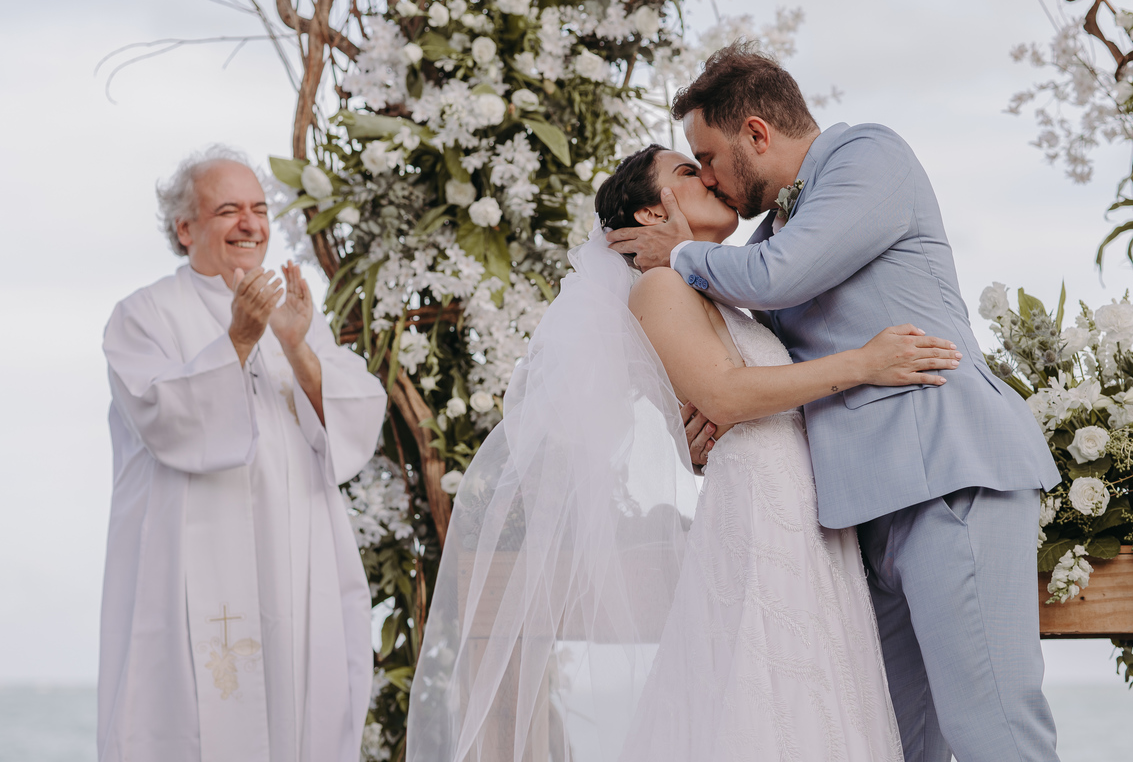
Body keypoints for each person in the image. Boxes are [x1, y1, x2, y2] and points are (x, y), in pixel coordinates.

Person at [405, 141, 963, 761]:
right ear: (650, 214)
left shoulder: (707, 288)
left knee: (818, 695)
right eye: (687, 172)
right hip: (760, 510)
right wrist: (864, 363)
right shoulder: (659, 288)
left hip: (799, 509)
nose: (710, 179)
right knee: (772, 693)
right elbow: (724, 394)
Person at [607, 42, 1063, 762]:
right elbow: (759, 360)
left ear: (758, 134)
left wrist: (681, 252)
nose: (716, 181)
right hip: (856, 520)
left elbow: (780, 277)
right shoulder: (764, 235)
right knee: (896, 745)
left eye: (710, 157)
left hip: (947, 475)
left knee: (993, 734)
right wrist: (706, 419)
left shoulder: (867, 159)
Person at [98, 146, 387, 762]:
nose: (251, 224)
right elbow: (163, 417)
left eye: (258, 209)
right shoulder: (143, 315)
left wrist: (296, 343)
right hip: (185, 564)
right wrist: (237, 339)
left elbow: (356, 415)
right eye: (228, 210)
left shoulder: (293, 309)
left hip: (296, 555)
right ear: (185, 228)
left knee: (297, 708)